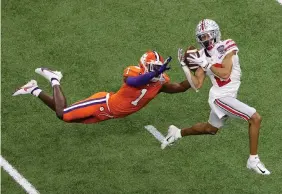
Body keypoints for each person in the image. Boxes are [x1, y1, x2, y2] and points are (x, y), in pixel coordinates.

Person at [161, 19, 270, 175]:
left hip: (228, 93)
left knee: (210, 129)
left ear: (215, 33)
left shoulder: (227, 45)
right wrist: (186, 68)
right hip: (220, 97)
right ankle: (253, 160)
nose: (205, 40)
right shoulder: (200, 55)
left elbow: (225, 73)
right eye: (202, 37)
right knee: (255, 118)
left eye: (207, 35)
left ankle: (177, 133)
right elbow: (197, 84)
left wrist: (205, 64)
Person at [13, 51, 190, 124]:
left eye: (158, 68)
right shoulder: (133, 72)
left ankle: (32, 89)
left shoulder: (160, 82)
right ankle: (54, 78)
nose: (157, 71)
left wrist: (198, 70)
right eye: (153, 68)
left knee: (65, 115)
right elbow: (134, 83)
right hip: (103, 104)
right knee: (63, 114)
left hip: (109, 114)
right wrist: (151, 74)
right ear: (144, 67)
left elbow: (182, 87)